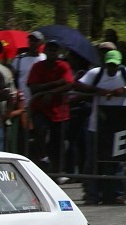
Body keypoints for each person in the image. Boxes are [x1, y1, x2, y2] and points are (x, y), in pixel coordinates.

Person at [74, 50, 126, 205]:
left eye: (114, 65)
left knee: (117, 162)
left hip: (119, 126)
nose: (112, 68)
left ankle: (116, 194)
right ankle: (91, 194)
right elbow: (78, 85)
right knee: (92, 161)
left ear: (119, 64)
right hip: (96, 125)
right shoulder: (96, 73)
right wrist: (97, 91)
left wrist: (125, 89)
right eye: (109, 65)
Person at [26, 40, 74, 175]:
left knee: (58, 142)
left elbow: (69, 84)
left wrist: (50, 92)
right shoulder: (37, 66)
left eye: (55, 50)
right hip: (40, 108)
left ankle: (56, 171)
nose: (52, 52)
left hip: (60, 112)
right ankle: (42, 158)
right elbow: (33, 87)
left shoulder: (63, 66)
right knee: (40, 130)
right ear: (45, 51)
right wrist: (57, 83)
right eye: (50, 49)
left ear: (58, 52)